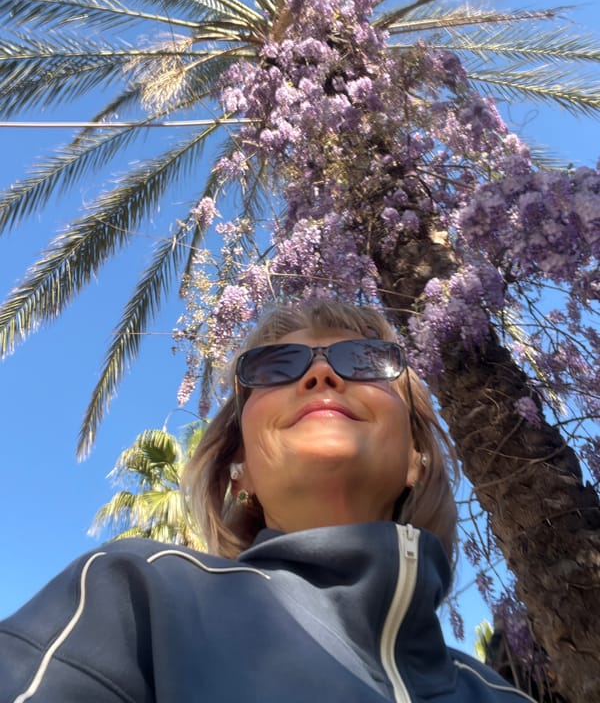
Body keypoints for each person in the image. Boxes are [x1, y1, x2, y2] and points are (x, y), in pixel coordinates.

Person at [1, 300, 534, 702]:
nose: (320, 374)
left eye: (365, 360)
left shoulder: (499, 692)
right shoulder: (132, 595)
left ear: (417, 458)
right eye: (276, 367)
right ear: (241, 471)